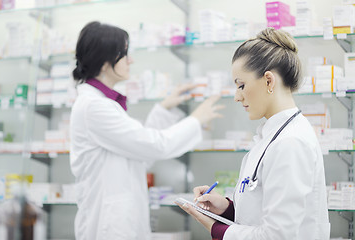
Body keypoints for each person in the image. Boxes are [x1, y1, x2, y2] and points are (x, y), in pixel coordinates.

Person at [69, 21, 224, 240]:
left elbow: (139, 150)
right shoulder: (94, 107)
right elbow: (154, 146)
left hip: (119, 219)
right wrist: (195, 120)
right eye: (124, 54)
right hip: (107, 224)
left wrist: (163, 107)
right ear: (104, 62)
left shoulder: (102, 103)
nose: (130, 60)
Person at [177, 27, 330, 240]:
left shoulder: (290, 142)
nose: (236, 97)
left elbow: (278, 235)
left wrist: (215, 229)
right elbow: (262, 209)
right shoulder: (273, 135)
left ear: (269, 81)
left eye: (241, 85)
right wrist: (227, 208)